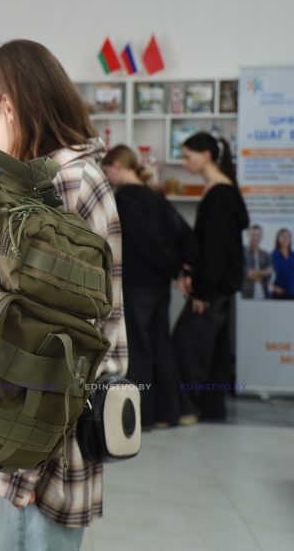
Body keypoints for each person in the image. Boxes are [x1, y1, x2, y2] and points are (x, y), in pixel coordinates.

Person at [0, 39, 127, 550]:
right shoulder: (60, 177)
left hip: (45, 427)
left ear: (10, 106)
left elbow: (53, 326)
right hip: (32, 418)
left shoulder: (65, 183)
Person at [102, 144, 192, 429]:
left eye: (107, 171)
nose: (107, 177)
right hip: (160, 284)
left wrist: (170, 266)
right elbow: (183, 231)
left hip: (136, 283)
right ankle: (170, 412)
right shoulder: (155, 196)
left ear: (118, 166)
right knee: (160, 344)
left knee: (138, 349)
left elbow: (145, 240)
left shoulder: (124, 199)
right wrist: (176, 268)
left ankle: (143, 416)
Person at [172, 132, 249, 423]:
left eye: (187, 156)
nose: (184, 162)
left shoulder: (218, 195)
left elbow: (215, 249)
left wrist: (202, 291)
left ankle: (190, 408)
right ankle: (212, 408)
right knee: (215, 350)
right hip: (218, 286)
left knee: (187, 347)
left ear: (205, 156)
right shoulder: (222, 191)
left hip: (212, 289)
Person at [242, 225, 273, 299]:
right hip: (246, 294)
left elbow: (270, 274)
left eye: (258, 235)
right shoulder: (242, 253)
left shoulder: (266, 254)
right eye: (253, 235)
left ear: (261, 236)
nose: (255, 238)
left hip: (263, 294)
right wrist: (263, 273)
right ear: (248, 235)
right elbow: (246, 273)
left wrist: (255, 273)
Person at [271, 228, 294, 300]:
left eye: (287, 237)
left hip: (292, 292)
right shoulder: (273, 255)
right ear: (278, 239)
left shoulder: (293, 255)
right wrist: (274, 288)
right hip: (279, 293)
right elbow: (266, 276)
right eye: (283, 237)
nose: (285, 239)